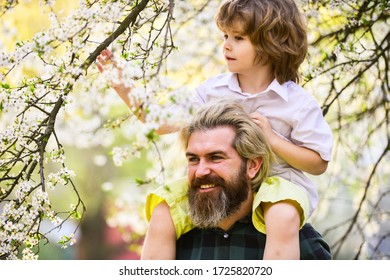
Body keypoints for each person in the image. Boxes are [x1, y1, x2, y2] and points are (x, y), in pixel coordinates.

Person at [97, 0, 333, 260]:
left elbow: (318, 162)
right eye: (225, 36)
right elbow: (160, 120)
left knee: (282, 214)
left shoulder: (296, 103)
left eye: (238, 38)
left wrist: (272, 140)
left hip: (278, 185)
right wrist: (120, 83)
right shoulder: (213, 91)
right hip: (221, 184)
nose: (227, 45)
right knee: (164, 208)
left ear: (271, 44)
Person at [173, 100, 331, 259]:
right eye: (193, 159)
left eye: (215, 157)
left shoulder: (298, 243)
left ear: (253, 166)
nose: (200, 172)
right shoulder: (174, 243)